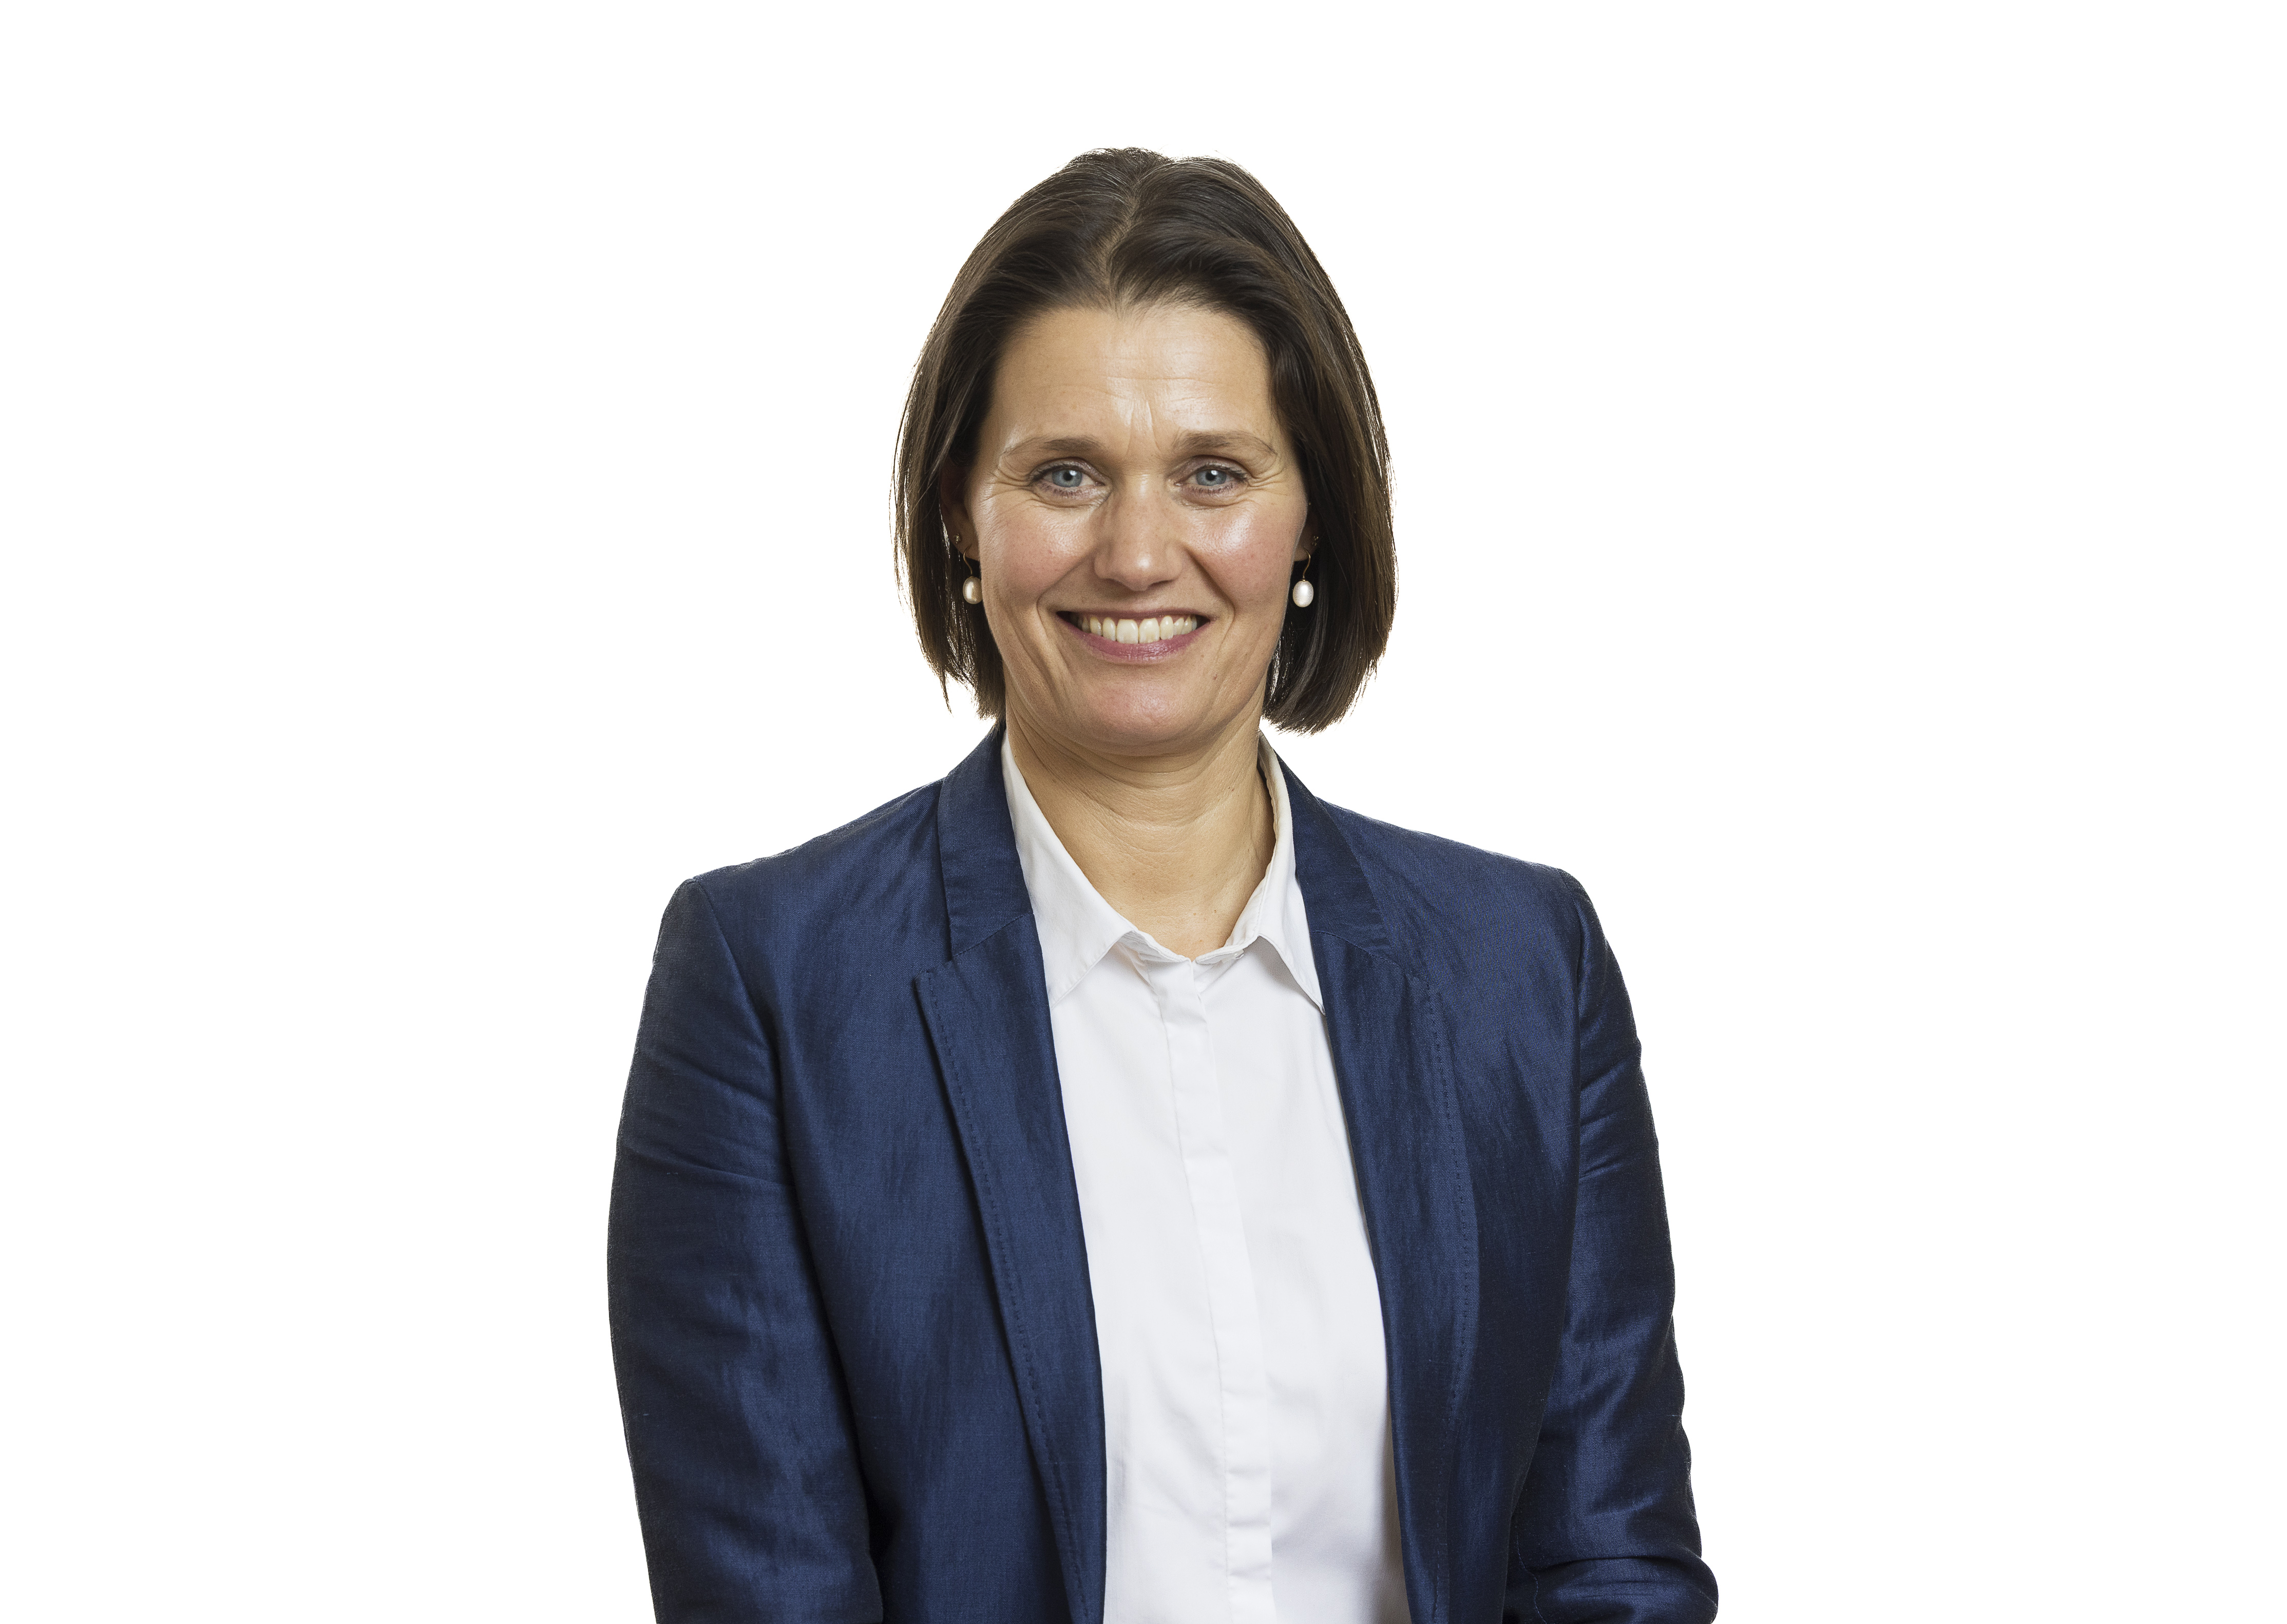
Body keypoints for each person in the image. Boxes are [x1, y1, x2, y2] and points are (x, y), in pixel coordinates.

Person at [608, 148, 1715, 1624]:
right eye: (1064, 474)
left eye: (1214, 473)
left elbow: (1611, 1562)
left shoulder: (1521, 971)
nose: (1138, 553)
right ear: (962, 515)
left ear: (1312, 517)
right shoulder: (770, 986)